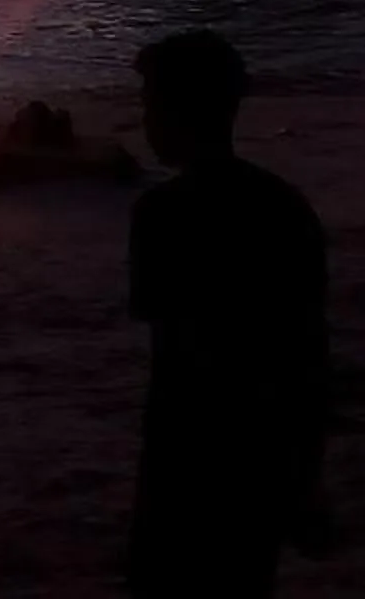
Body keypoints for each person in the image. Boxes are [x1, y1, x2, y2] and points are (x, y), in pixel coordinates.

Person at [127, 31, 329, 598]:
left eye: (149, 105)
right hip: (260, 456)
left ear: (175, 111)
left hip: (186, 452)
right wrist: (304, 475)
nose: (144, 121)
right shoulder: (285, 207)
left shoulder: (161, 215)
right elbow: (309, 353)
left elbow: (172, 348)